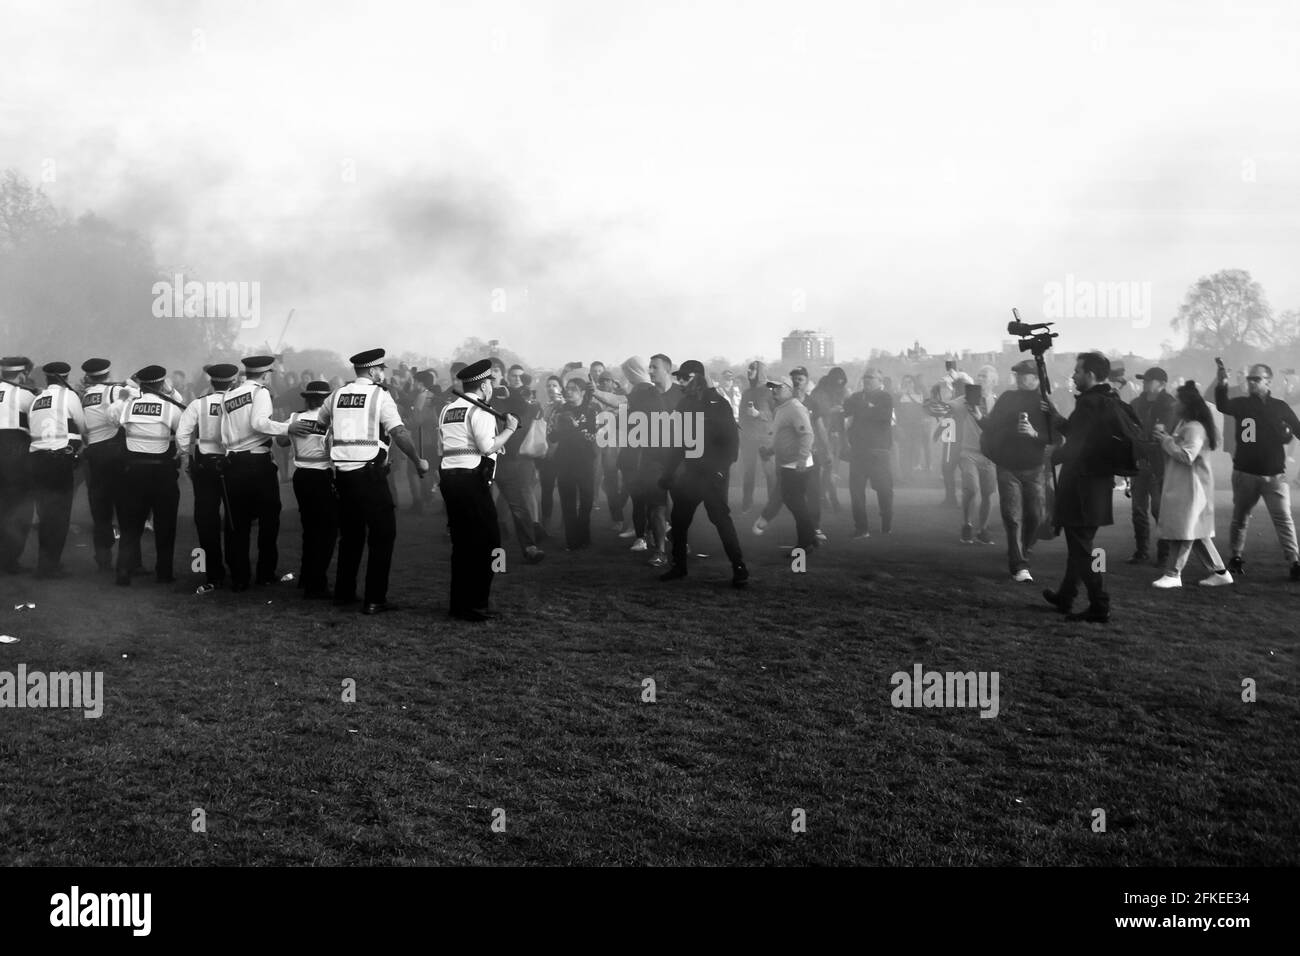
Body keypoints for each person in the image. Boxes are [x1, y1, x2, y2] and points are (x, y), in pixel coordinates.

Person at [317, 349, 429, 614]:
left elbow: (321, 424)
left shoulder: (336, 395)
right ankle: (375, 598)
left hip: (342, 475)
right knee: (383, 535)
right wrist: (417, 460)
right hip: (370, 474)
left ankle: (344, 593)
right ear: (372, 371)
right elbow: (399, 432)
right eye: (381, 369)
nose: (384, 373)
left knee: (351, 536)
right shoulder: (381, 395)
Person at [1041, 352, 1141, 622]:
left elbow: (1076, 446)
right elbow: (1078, 434)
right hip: (1098, 486)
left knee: (1082, 550)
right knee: (1081, 546)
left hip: (1081, 488)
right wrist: (1055, 415)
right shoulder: (1108, 399)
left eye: (1077, 371)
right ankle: (1066, 596)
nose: (1073, 376)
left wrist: (1054, 454)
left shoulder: (1088, 404)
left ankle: (1099, 604)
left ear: (1091, 375)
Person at [219, 355, 310, 591]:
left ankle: (239, 577)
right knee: (269, 519)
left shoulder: (229, 395)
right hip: (257, 463)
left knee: (237, 523)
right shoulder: (259, 393)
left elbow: (224, 432)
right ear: (265, 374)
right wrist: (286, 427)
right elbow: (259, 423)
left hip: (233, 464)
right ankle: (265, 573)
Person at [438, 359, 518, 622]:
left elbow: (447, 446)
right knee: (490, 542)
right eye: (491, 384)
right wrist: (509, 430)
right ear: (484, 385)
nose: (492, 388)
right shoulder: (480, 410)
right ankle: (478, 603)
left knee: (461, 544)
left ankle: (459, 604)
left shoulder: (448, 409)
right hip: (472, 481)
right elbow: (487, 447)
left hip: (450, 480)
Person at [657, 360, 747, 587]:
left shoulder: (718, 403)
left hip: (712, 475)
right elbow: (677, 444)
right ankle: (679, 566)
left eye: (684, 378)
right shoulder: (684, 404)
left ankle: (739, 567)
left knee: (720, 519)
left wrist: (720, 470)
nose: (681, 382)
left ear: (697, 378)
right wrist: (668, 473)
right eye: (679, 378)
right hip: (691, 475)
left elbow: (731, 443)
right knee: (678, 521)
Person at [1214, 362, 1300, 579]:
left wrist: (1287, 434)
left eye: (1256, 379)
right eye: (1250, 379)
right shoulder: (1242, 404)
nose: (1251, 382)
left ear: (1268, 381)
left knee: (1283, 519)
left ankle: (1294, 561)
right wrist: (1222, 381)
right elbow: (1222, 404)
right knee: (1240, 518)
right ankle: (1235, 556)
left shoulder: (1280, 407)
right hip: (1246, 472)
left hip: (1274, 475)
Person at [1152, 382, 1232, 588]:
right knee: (1196, 532)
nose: (1174, 404)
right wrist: (1166, 440)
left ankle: (1173, 573)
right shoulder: (1185, 425)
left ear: (1186, 404)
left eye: (1178, 400)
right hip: (1186, 485)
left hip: (1192, 487)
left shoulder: (1194, 428)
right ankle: (1220, 572)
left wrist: (1166, 441)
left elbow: (1188, 455)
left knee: (1185, 531)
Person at [980, 359, 1052, 582]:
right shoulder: (1006, 398)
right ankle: (1019, 565)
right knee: (1012, 517)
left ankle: (1024, 548)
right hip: (1008, 466)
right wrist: (978, 417)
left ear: (1035, 379)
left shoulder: (1044, 402)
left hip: (1035, 467)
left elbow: (1056, 436)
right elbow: (991, 426)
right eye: (1018, 374)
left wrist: (1034, 434)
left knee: (1036, 515)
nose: (1020, 378)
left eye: (1025, 375)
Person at [115, 365, 186, 586]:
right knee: (165, 525)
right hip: (162, 472)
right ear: (162, 384)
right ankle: (164, 573)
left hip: (133, 473)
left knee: (130, 526)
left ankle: (123, 571)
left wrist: (127, 394)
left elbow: (111, 417)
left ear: (142, 384)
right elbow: (182, 434)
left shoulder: (127, 407)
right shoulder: (170, 408)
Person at [177, 363, 239, 593]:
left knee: (206, 521)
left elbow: (183, 434)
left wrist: (186, 458)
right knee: (235, 520)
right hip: (232, 466)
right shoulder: (238, 404)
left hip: (204, 468)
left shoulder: (198, 404)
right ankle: (238, 571)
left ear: (211, 382)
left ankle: (213, 573)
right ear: (233, 382)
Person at [276, 380, 338, 599]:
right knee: (328, 531)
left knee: (310, 528)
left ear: (307, 399)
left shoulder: (294, 418)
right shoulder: (331, 422)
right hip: (322, 476)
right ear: (325, 401)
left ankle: (305, 576)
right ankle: (317, 582)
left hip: (301, 477)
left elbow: (282, 441)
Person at [27, 361, 86, 578]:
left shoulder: (36, 400)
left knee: (44, 514)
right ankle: (50, 566)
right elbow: (82, 424)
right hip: (58, 461)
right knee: (60, 515)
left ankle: (44, 562)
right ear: (65, 377)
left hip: (37, 461)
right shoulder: (68, 396)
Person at [77, 358, 135, 571]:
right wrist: (130, 385)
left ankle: (103, 559)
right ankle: (129, 562)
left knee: (100, 509)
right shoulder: (113, 390)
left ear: (89, 377)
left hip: (93, 454)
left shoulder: (85, 396)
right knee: (125, 508)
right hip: (115, 453)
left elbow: (83, 427)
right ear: (108, 374)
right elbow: (129, 399)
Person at [754, 374, 817, 552]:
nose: (774, 391)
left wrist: (802, 459)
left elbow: (807, 434)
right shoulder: (781, 408)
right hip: (788, 463)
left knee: (795, 503)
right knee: (795, 502)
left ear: (789, 389)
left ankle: (805, 543)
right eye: (772, 388)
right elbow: (782, 437)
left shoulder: (795, 408)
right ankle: (809, 538)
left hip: (796, 464)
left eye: (778, 387)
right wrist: (770, 451)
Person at [494, 368, 545, 564]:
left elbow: (525, 410)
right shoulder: (478, 399)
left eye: (496, 374)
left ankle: (530, 546)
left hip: (507, 457)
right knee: (485, 504)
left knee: (517, 503)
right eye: (489, 376)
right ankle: (489, 548)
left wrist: (511, 394)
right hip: (483, 458)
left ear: (502, 376)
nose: (492, 379)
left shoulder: (511, 397)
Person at [1128, 366, 1178, 567]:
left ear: (1162, 384)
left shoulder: (1170, 405)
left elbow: (1166, 434)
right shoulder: (1136, 404)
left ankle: (1164, 554)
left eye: (1150, 380)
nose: (1145, 383)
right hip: (1141, 461)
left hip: (1160, 463)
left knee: (1159, 510)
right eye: (1144, 380)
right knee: (1139, 510)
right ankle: (1142, 551)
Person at [549, 378, 600, 550]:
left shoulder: (591, 410)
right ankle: (572, 541)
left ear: (583, 392)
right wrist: (559, 427)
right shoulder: (559, 410)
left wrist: (576, 428)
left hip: (585, 461)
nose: (568, 391)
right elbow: (551, 437)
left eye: (573, 389)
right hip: (564, 461)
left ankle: (584, 535)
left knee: (587, 501)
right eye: (567, 388)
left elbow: (594, 435)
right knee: (568, 503)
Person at [842, 368, 894, 538]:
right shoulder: (856, 397)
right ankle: (861, 528)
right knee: (856, 491)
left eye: (871, 377)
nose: (866, 380)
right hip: (858, 450)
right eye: (865, 377)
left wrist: (864, 408)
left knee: (884, 489)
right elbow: (845, 411)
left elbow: (883, 416)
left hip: (879, 450)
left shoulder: (885, 397)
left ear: (880, 381)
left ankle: (886, 521)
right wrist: (868, 408)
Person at [948, 370, 997, 545]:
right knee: (972, 488)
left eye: (984, 377)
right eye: (979, 376)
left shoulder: (997, 403)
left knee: (988, 493)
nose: (980, 379)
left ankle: (983, 529)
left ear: (993, 382)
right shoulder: (965, 400)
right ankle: (967, 524)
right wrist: (935, 404)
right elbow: (948, 406)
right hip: (968, 452)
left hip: (990, 455)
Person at [0, 356, 37, 573]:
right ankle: (10, 559)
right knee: (19, 507)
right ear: (22, 374)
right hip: (14, 452)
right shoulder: (25, 395)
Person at [738, 360, 776, 513]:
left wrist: (759, 413)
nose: (749, 371)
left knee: (769, 473)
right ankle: (747, 503)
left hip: (765, 438)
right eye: (748, 368)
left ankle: (773, 505)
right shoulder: (746, 392)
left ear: (760, 371)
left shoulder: (769, 390)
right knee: (748, 472)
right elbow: (741, 415)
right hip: (748, 438)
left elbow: (776, 413)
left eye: (752, 369)